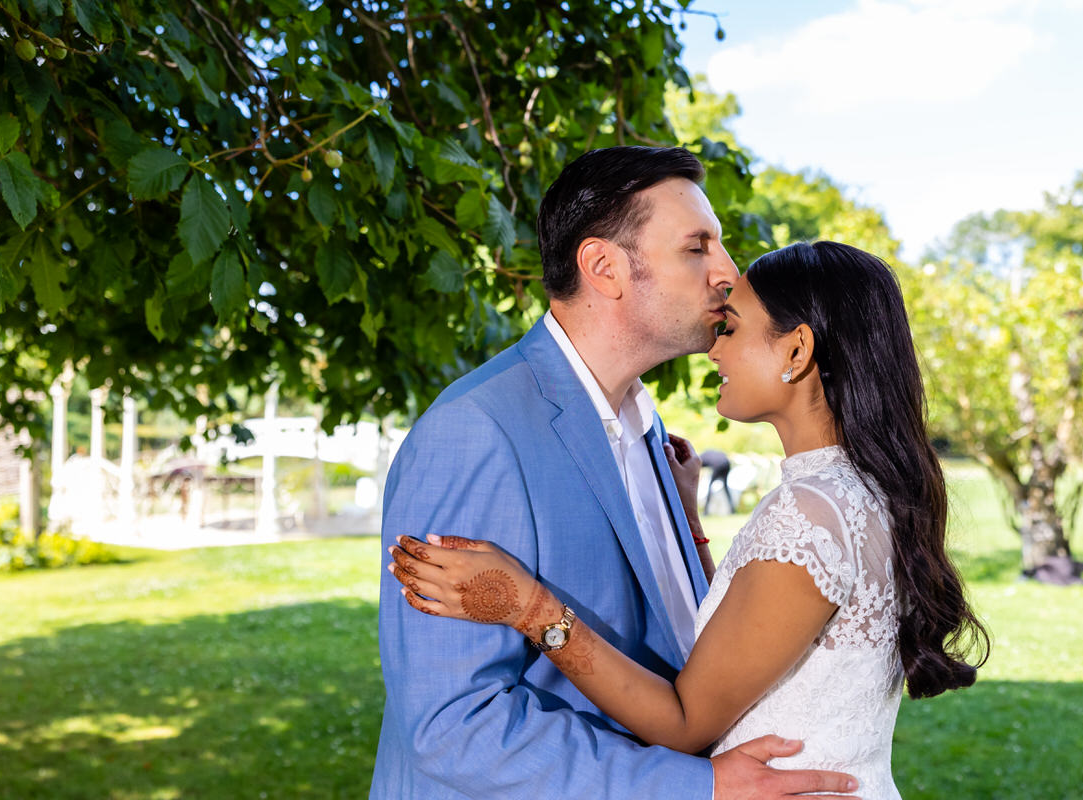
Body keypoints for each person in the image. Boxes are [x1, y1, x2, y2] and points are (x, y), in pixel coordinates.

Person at [389, 241, 991, 799]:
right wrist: (690, 526)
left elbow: (683, 721)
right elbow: (754, 633)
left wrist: (529, 607)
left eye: (733, 329)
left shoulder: (809, 513)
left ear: (797, 350)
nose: (716, 346)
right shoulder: (857, 493)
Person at [370, 148, 861, 799]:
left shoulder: (651, 434)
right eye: (697, 247)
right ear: (605, 268)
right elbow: (453, 727)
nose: (727, 272)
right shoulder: (477, 433)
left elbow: (688, 644)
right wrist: (696, 787)